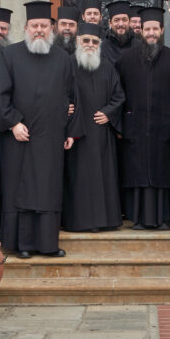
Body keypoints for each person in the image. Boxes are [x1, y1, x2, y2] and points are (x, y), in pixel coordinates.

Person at [0, 1, 76, 258]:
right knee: (20, 189)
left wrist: (70, 131)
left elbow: (72, 97)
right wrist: (13, 122)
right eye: (34, 25)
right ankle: (22, 245)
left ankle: (48, 244)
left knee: (48, 190)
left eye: (44, 25)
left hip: (51, 138)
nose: (39, 30)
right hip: (19, 137)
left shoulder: (63, 58)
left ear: (52, 29)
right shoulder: (10, 55)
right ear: (26, 27)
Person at [116, 6, 170, 230]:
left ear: (162, 30)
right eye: (147, 29)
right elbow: (116, 94)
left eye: (155, 29)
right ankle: (137, 218)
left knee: (162, 173)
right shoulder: (125, 59)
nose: (150, 33)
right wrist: (118, 124)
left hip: (165, 128)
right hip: (134, 127)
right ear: (140, 30)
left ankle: (163, 219)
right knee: (137, 174)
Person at [62, 23, 125, 232]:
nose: (90, 45)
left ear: (100, 44)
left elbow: (119, 97)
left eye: (94, 41)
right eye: (86, 40)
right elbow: (57, 93)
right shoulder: (67, 64)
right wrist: (65, 108)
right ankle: (78, 221)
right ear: (78, 40)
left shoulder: (108, 67)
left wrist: (109, 113)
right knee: (78, 177)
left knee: (102, 176)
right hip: (76, 133)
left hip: (101, 134)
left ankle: (103, 221)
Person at [102, 1, 136, 66]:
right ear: (110, 23)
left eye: (124, 20)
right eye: (116, 20)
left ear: (129, 22)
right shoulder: (103, 48)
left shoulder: (138, 46)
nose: (121, 24)